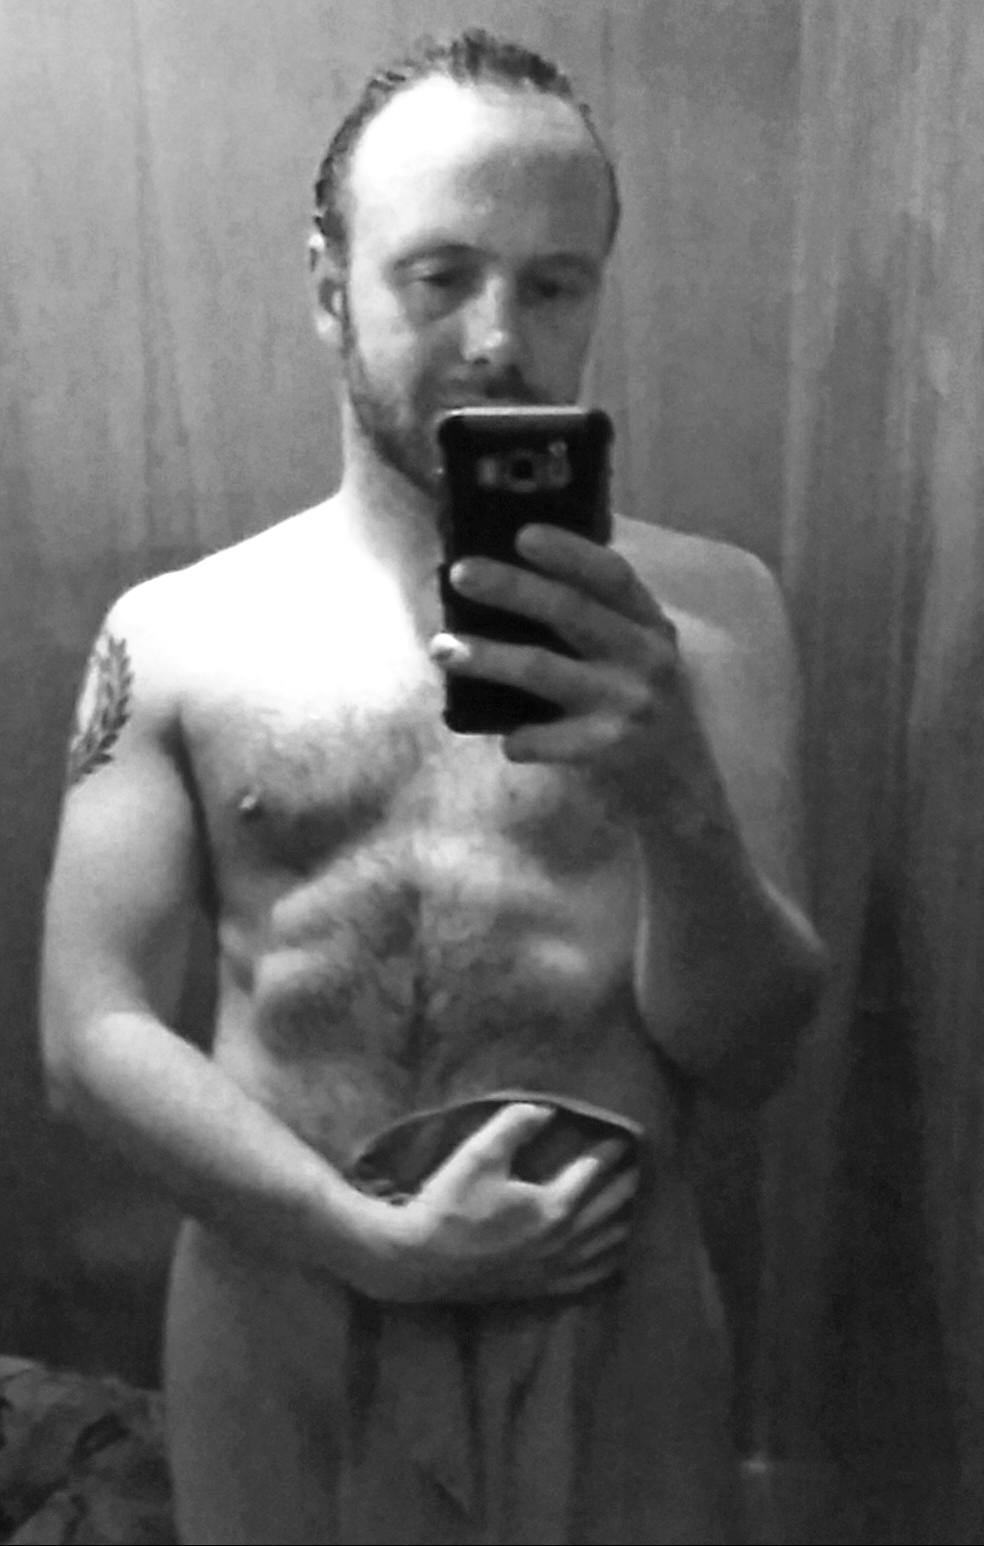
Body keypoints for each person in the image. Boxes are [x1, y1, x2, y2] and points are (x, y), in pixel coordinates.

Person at [40, 29, 827, 1546]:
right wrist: (370, 1240)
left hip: (617, 1337)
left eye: (554, 284)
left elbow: (750, 1055)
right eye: (439, 274)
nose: (497, 338)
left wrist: (675, 791)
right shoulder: (179, 635)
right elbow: (88, 1034)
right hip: (282, 1317)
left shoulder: (716, 620)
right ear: (329, 284)